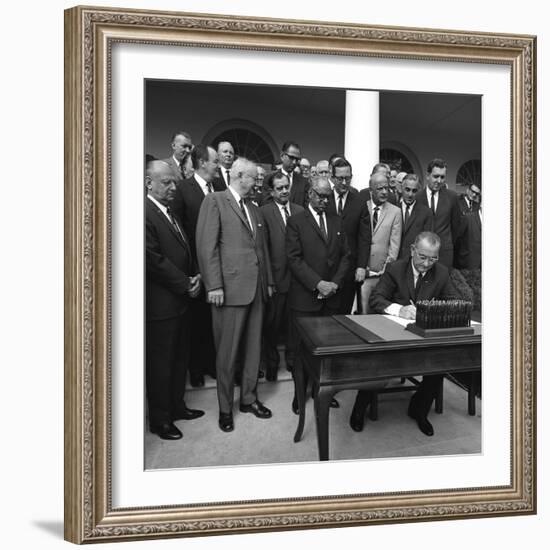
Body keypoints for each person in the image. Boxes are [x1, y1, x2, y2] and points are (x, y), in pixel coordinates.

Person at [196, 158, 275, 433]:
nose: (257, 183)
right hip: (228, 292)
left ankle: (249, 399)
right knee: (227, 355)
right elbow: (207, 247)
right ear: (240, 176)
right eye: (254, 178)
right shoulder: (215, 201)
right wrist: (214, 285)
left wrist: (268, 283)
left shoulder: (255, 209)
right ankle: (225, 408)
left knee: (254, 351)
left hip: (256, 291)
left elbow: (261, 251)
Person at [365, 231, 459, 436]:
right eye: (422, 257)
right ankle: (360, 405)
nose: (426, 264)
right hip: (391, 332)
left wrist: (432, 310)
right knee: (373, 363)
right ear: (412, 250)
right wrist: (400, 309)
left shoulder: (441, 272)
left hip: (424, 335)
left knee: (440, 363)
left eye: (433, 258)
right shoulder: (396, 268)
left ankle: (419, 409)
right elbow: (376, 299)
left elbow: (453, 301)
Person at [145, 161, 204, 440]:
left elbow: (183, 250)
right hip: (161, 305)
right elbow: (153, 260)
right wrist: (185, 284)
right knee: (161, 364)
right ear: (149, 183)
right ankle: (160, 420)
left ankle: (177, 407)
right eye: (166, 182)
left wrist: (195, 277)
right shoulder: (144, 213)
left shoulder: (169, 212)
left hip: (181, 300)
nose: (172, 187)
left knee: (179, 359)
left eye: (173, 182)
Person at [286, 176, 352, 412]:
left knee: (325, 351)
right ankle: (299, 394)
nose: (324, 200)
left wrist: (334, 283)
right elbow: (294, 259)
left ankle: (320, 392)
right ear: (310, 194)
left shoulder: (337, 220)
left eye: (327, 196)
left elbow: (346, 256)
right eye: (320, 195)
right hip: (305, 297)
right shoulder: (296, 221)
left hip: (332, 297)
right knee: (300, 350)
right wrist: (318, 283)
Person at [170, 144, 226, 387]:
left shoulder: (221, 188)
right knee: (196, 323)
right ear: (203, 162)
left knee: (214, 321)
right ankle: (195, 369)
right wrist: (194, 271)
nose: (219, 166)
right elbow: (179, 233)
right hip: (194, 271)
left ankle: (212, 365)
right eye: (215, 161)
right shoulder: (183, 189)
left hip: (218, 269)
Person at [260, 172, 304, 380]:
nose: (285, 191)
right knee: (272, 325)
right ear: (271, 191)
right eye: (280, 188)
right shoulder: (264, 212)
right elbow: (263, 250)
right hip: (276, 280)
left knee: (294, 326)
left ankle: (293, 360)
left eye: (286, 187)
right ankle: (271, 363)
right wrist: (269, 280)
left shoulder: (299, 211)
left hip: (298, 281)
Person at [326, 157, 372, 313]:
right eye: (340, 178)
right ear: (332, 178)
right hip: (326, 268)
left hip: (350, 269)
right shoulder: (324, 200)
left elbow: (365, 237)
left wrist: (361, 266)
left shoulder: (359, 202)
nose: (344, 182)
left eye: (347, 178)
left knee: (344, 311)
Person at [359, 172, 402, 313]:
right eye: (379, 189)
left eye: (386, 188)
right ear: (371, 190)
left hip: (381, 274)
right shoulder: (361, 207)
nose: (384, 192)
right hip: (360, 272)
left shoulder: (395, 212)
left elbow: (394, 246)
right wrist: (360, 266)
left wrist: (385, 271)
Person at [416, 158, 462, 268]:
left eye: (442, 177)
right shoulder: (417, 198)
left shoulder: (452, 197)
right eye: (436, 176)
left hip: (444, 254)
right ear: (428, 176)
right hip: (422, 254)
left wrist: (447, 244)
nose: (439, 180)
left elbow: (456, 227)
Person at [398, 174, 433, 259]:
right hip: (394, 260)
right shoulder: (393, 209)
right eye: (407, 190)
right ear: (401, 189)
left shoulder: (426, 212)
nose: (410, 194)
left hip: (414, 260)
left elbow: (426, 241)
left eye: (414, 191)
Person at [264, 141, 310, 207]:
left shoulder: (304, 182)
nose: (294, 162)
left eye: (297, 159)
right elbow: (267, 205)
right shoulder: (269, 178)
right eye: (291, 158)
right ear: (282, 156)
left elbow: (306, 207)